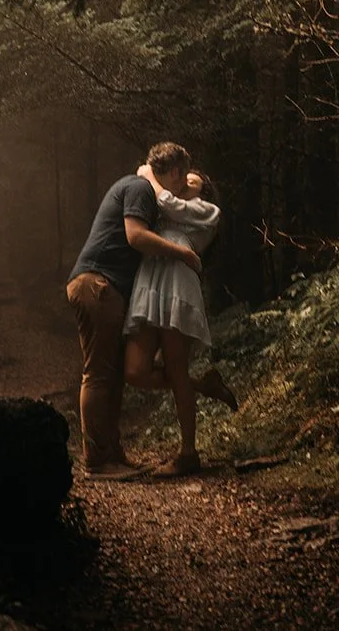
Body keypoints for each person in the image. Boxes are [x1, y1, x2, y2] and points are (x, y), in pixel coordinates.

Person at [67, 142, 203, 479]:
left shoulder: (143, 187)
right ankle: (97, 461)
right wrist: (182, 253)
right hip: (97, 285)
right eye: (183, 178)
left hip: (105, 288)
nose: (182, 187)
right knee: (98, 374)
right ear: (175, 172)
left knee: (112, 374)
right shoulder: (140, 188)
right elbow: (136, 236)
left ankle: (112, 455)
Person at [123, 164, 238, 478]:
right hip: (150, 281)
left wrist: (149, 176)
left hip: (177, 284)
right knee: (135, 371)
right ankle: (203, 385)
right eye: (182, 178)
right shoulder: (163, 210)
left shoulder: (206, 211)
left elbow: (167, 201)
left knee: (176, 370)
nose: (186, 182)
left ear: (204, 191)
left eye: (193, 181)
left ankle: (188, 453)